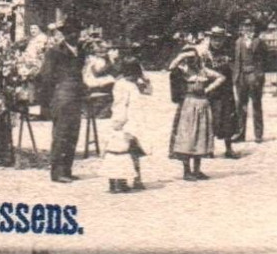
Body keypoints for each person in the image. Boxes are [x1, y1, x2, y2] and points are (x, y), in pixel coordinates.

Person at [91, 45, 153, 193]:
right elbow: (119, 105)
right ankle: (117, 181)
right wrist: (119, 121)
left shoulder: (134, 84)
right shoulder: (122, 85)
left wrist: (146, 80)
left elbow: (149, 91)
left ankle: (135, 178)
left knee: (135, 150)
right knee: (120, 152)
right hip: (125, 122)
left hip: (135, 121)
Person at [168, 29, 228, 181]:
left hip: (203, 104)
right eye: (190, 58)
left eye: (194, 58)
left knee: (201, 136)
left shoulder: (203, 70)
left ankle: (197, 170)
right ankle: (187, 170)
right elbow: (171, 67)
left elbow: (221, 77)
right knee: (188, 137)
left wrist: (207, 89)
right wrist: (184, 55)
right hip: (188, 105)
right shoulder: (185, 71)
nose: (192, 60)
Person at [41, 18, 86, 183]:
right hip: (61, 97)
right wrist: (47, 101)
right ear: (64, 34)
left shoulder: (81, 51)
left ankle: (67, 169)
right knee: (61, 134)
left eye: (77, 32)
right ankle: (57, 172)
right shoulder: (54, 52)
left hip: (76, 97)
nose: (74, 35)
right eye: (70, 32)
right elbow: (45, 77)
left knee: (73, 133)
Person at [233, 20, 271, 143]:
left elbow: (267, 59)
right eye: (246, 26)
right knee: (241, 106)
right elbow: (236, 60)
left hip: (254, 75)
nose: (248, 29)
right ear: (242, 28)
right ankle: (240, 133)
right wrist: (236, 77)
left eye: (250, 26)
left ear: (254, 28)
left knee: (256, 105)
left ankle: (258, 135)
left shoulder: (259, 42)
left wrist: (260, 74)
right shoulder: (238, 42)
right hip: (242, 76)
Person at [206, 28, 241, 158]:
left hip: (226, 92)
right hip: (211, 91)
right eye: (214, 39)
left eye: (219, 39)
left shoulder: (228, 53)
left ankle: (228, 148)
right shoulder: (205, 55)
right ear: (210, 39)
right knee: (211, 120)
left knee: (228, 118)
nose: (217, 42)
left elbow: (234, 70)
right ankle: (209, 149)